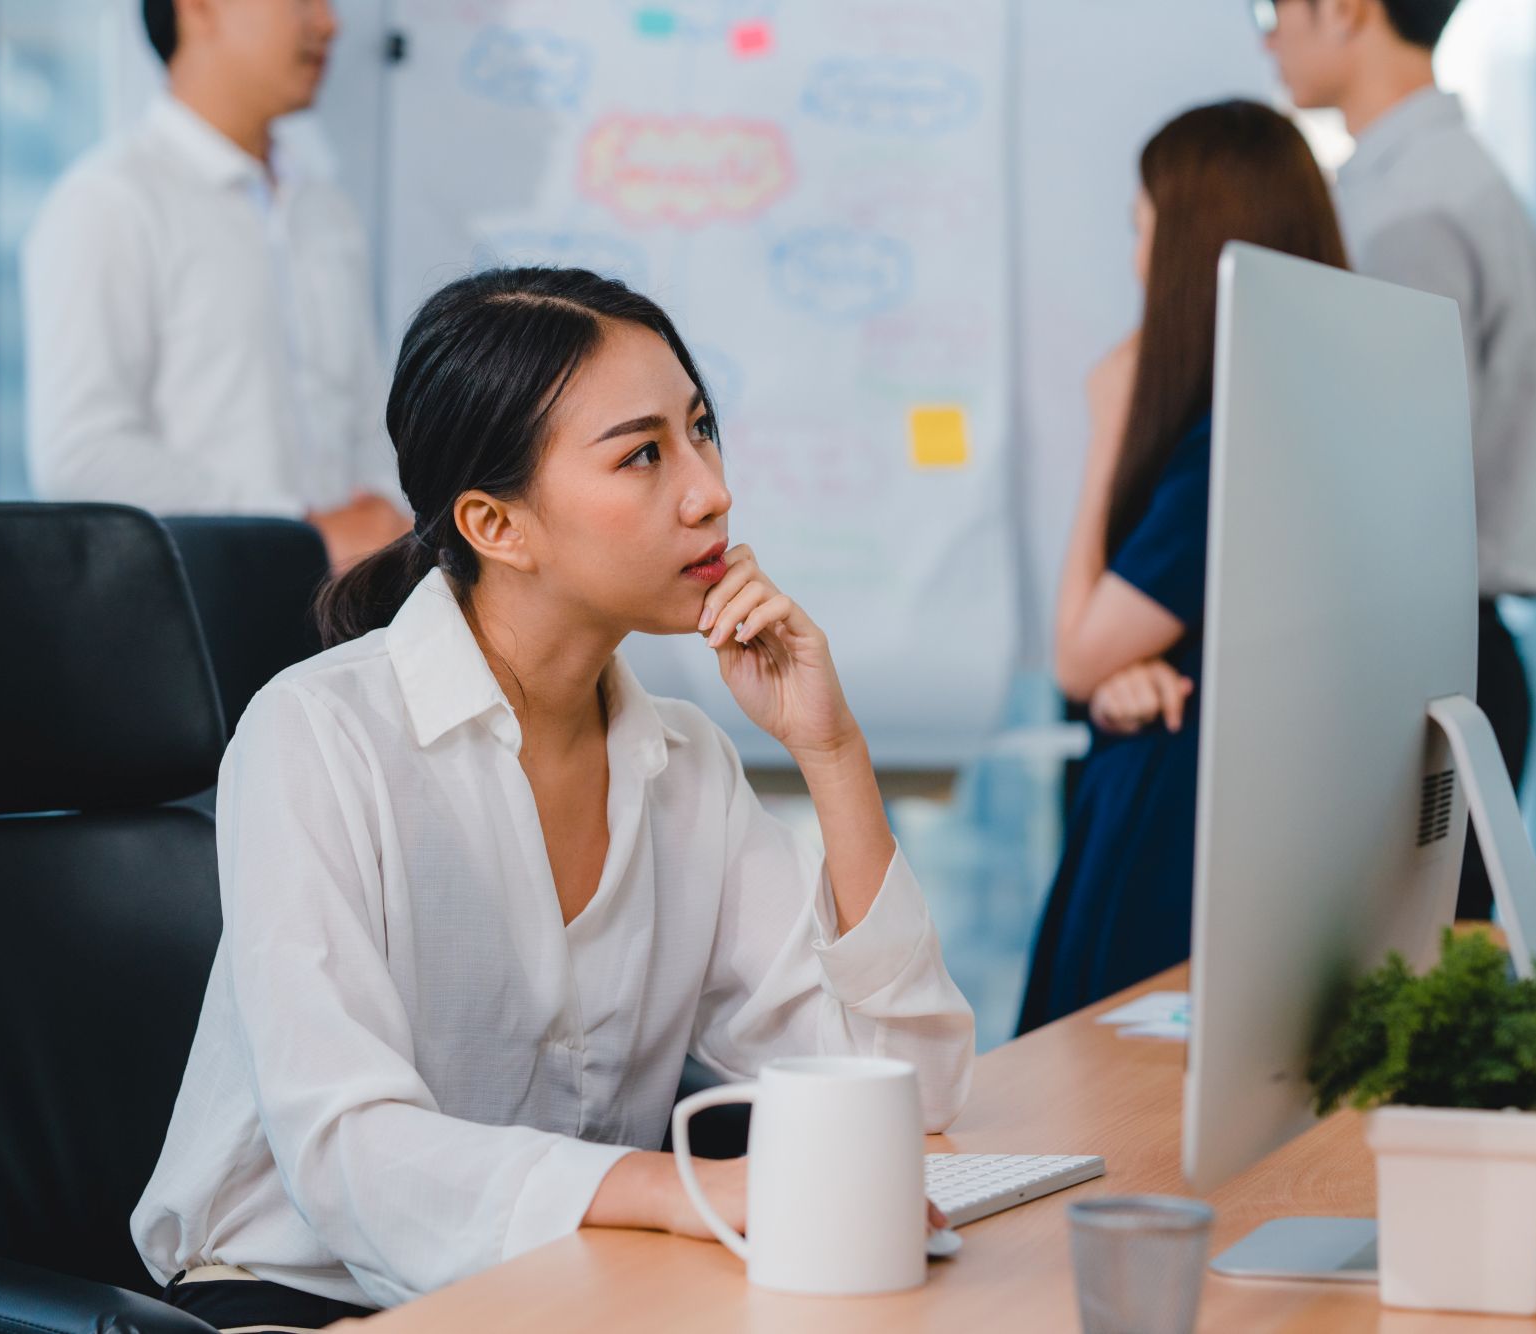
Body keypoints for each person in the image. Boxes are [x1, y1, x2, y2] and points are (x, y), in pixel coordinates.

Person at [130, 267, 976, 1321]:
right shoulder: (317, 737)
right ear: (496, 523)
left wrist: (832, 750)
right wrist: (678, 1191)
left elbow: (903, 1094)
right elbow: (349, 1151)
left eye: (700, 429)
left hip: (565, 1284)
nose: (708, 488)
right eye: (643, 454)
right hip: (298, 1294)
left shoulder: (685, 763)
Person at [1018, 101, 1349, 1033]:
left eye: (1143, 229)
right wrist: (1124, 669)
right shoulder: (1312, 412)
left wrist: (1108, 429)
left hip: (1178, 846)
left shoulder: (1235, 441)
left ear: (1197, 245)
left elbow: (1077, 655)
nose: (1136, 261)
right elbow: (1111, 663)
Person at [1261, 0, 1536, 919]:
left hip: (1420, 654)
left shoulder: (1409, 209)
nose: (1266, 35)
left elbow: (1396, 483)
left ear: (1345, 10)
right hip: (1448, 647)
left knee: (1395, 989)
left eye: (1271, 9)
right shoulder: (1437, 179)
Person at [22, 0, 410, 571]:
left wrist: (388, 518)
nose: (328, 23)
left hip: (347, 611)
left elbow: (370, 421)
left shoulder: (324, 209)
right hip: (199, 616)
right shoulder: (108, 202)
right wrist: (300, 532)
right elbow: (82, 456)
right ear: (198, 8)